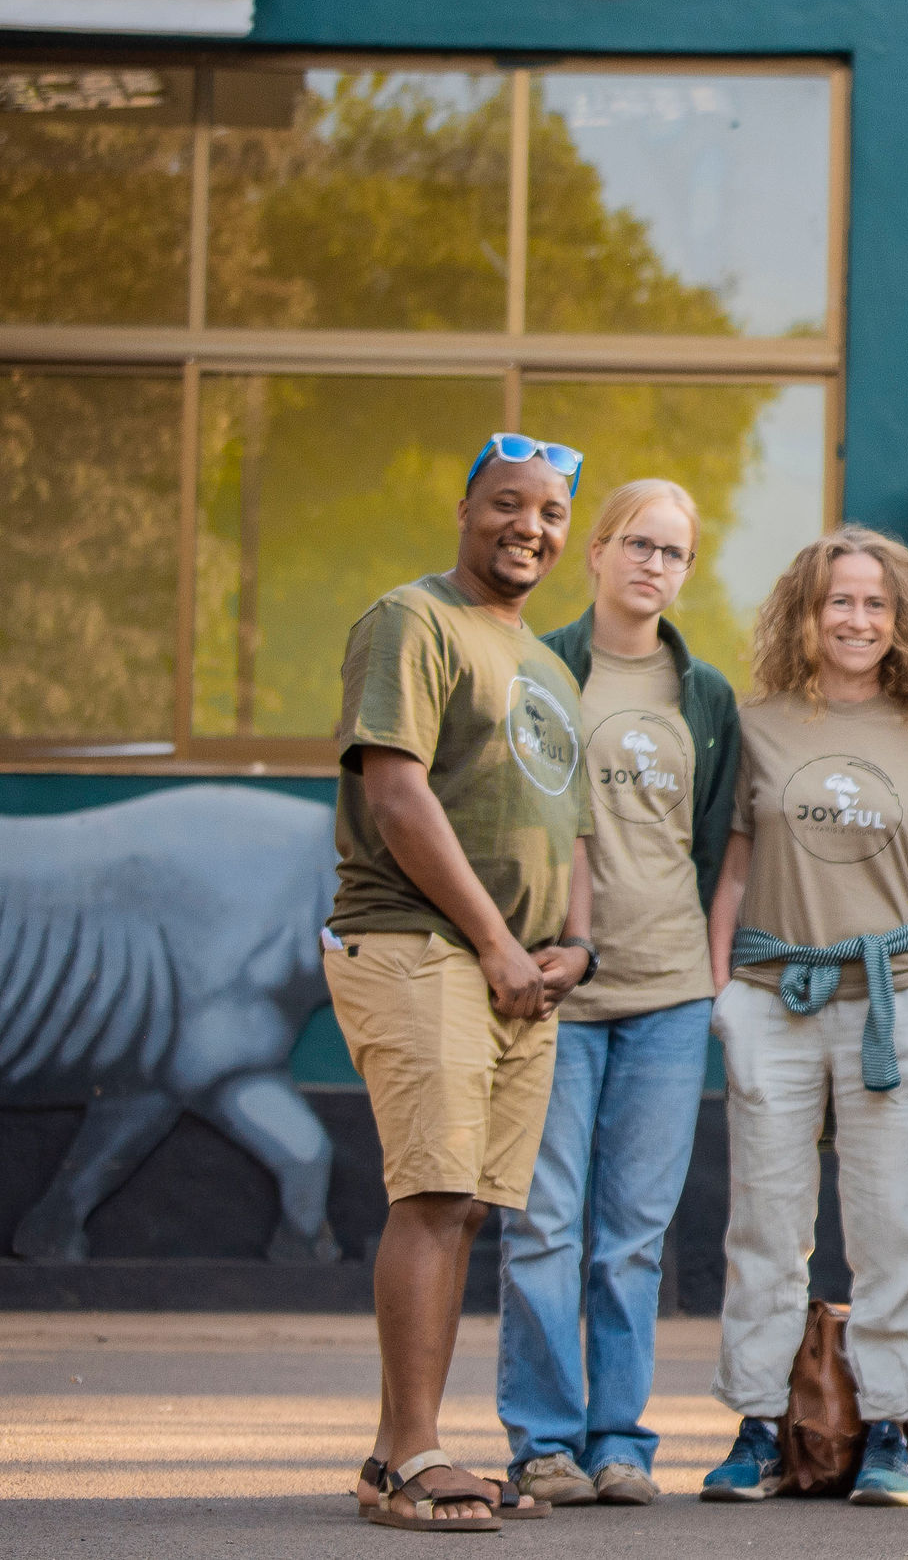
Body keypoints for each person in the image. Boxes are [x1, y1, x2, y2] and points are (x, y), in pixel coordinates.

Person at [328, 431, 597, 1531]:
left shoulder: (548, 664)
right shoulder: (411, 621)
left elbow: (568, 830)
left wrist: (575, 944)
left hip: (520, 977)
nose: (528, 528)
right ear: (465, 508)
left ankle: (400, 1453)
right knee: (432, 1195)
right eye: (507, 505)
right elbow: (396, 794)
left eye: (548, 514)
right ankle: (413, 1457)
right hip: (423, 947)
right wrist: (492, 940)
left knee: (468, 1209)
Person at [700, 526, 908, 1508]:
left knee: (892, 1230)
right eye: (838, 602)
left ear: (901, 622)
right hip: (774, 999)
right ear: (805, 615)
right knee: (767, 1229)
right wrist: (721, 991)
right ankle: (757, 1423)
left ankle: (891, 1427)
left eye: (876, 604)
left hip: (891, 1006)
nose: (857, 619)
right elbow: (733, 865)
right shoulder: (759, 722)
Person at [504, 478, 740, 1508]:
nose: (653, 564)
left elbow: (718, 840)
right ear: (594, 552)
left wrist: (712, 968)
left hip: (670, 995)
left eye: (674, 553)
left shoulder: (706, 696)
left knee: (632, 1238)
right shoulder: (539, 666)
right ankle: (545, 1442)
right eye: (637, 543)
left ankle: (620, 1445)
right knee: (544, 1222)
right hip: (554, 990)